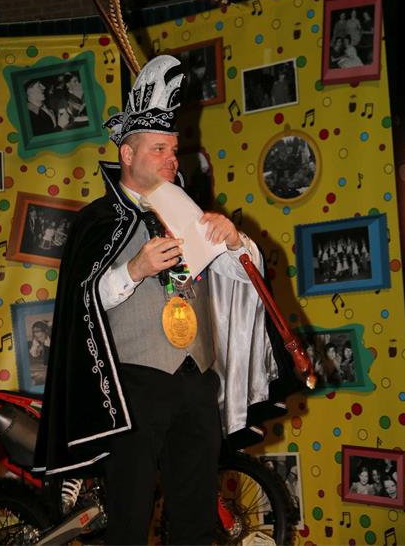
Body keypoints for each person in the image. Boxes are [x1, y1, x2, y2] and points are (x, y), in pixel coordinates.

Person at [33, 55, 299, 545]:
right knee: (129, 523)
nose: (171, 159)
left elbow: (245, 280)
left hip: (196, 385)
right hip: (133, 388)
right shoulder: (97, 221)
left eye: (173, 150)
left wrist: (234, 241)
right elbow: (82, 304)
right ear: (127, 153)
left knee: (195, 524)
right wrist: (133, 270)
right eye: (158, 149)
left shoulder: (192, 214)